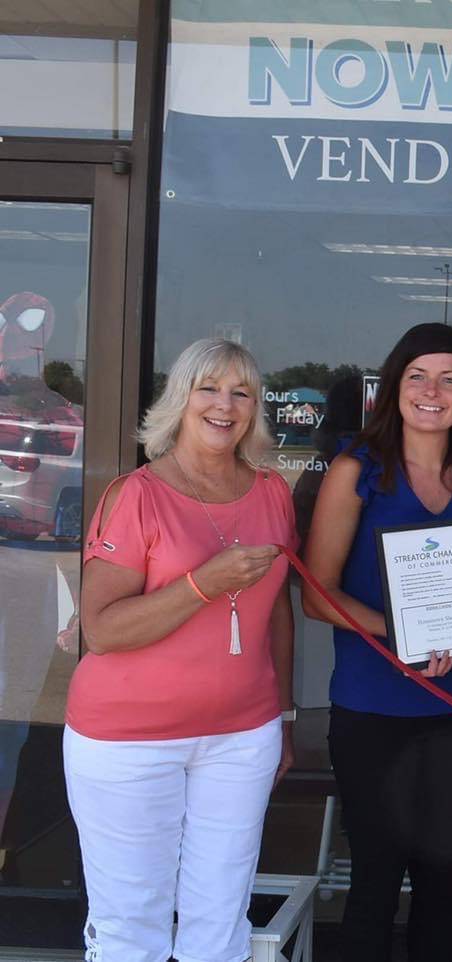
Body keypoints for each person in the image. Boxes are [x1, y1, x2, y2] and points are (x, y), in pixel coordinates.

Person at [67, 337, 296, 962]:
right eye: (209, 389)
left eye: (241, 392)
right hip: (127, 742)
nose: (225, 405)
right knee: (130, 926)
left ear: (255, 408)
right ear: (181, 398)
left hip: (242, 736)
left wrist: (285, 715)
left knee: (220, 923)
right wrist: (203, 583)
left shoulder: (273, 491)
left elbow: (277, 606)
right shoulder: (135, 494)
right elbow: (102, 629)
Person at [301, 323, 452, 962]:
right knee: (375, 874)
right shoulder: (356, 471)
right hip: (375, 708)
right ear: (393, 386)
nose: (432, 391)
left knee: (443, 874)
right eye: (418, 376)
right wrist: (403, 633)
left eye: (449, 378)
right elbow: (317, 594)